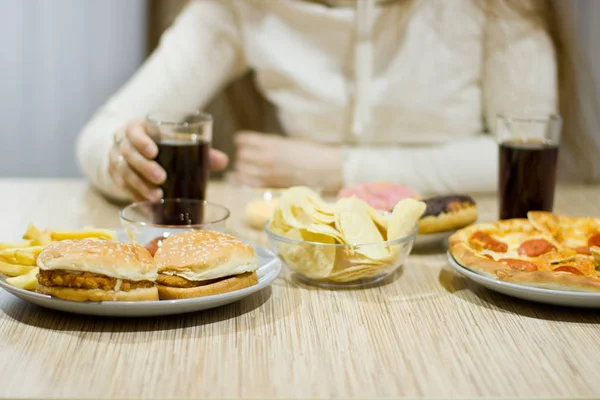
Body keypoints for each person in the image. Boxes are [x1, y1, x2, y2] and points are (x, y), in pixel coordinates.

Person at [76, 0, 557, 202]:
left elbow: (529, 155)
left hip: (467, 258)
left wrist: (340, 169)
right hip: (310, 266)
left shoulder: (497, 7)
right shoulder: (243, 7)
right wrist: (124, 160)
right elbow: (101, 134)